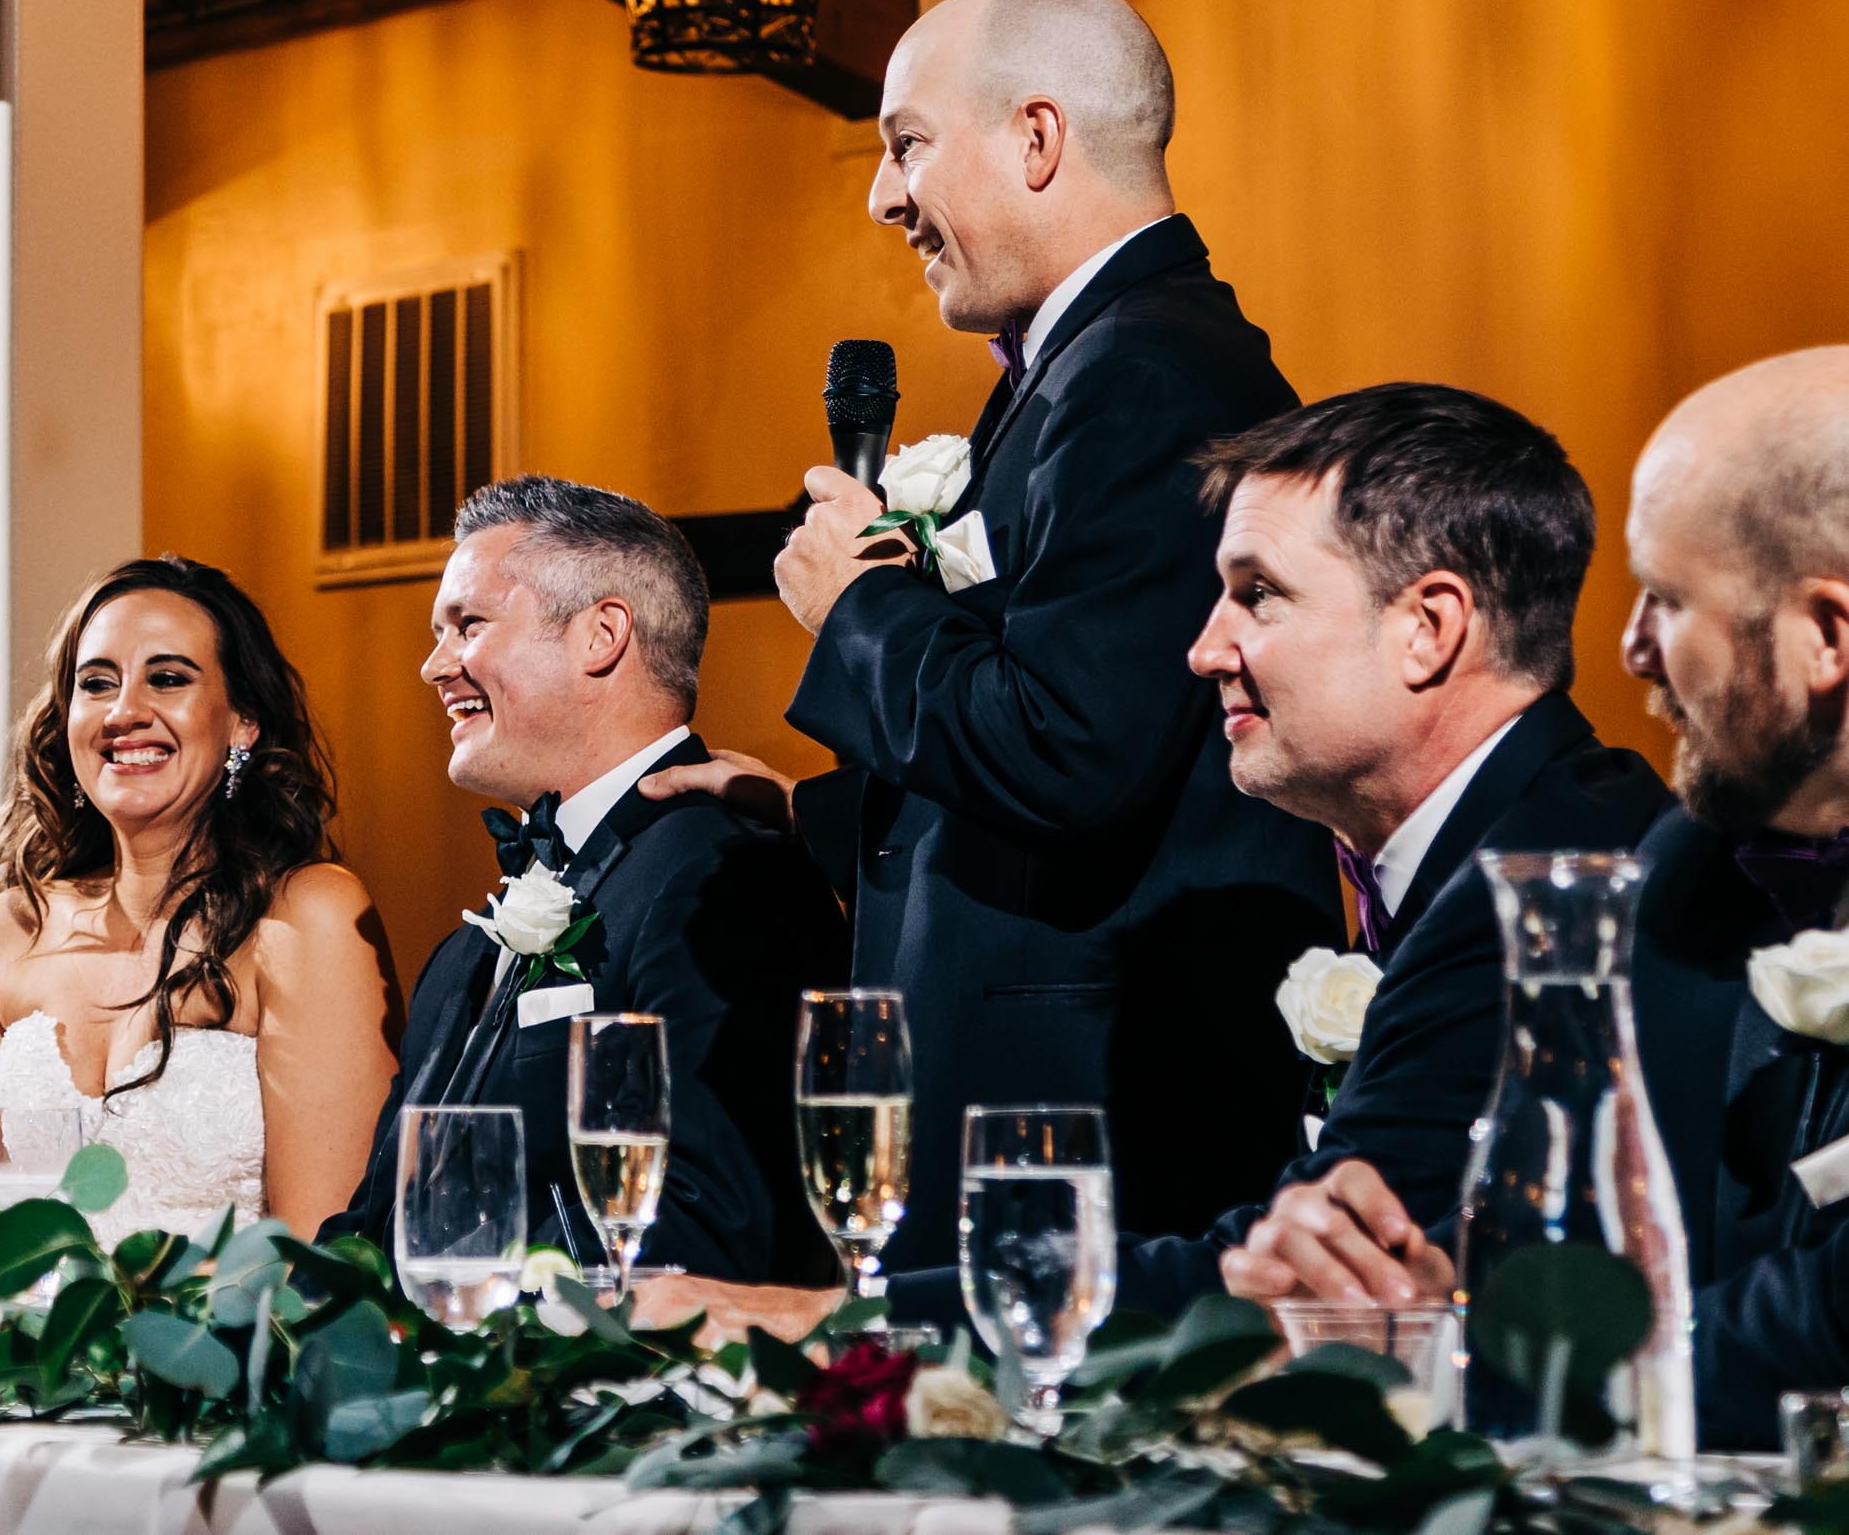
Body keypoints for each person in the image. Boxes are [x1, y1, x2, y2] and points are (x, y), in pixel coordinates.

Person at [637, 383, 1670, 1340]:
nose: (1203, 648)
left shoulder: (1539, 892)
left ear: (1427, 629)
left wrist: (823, 1322)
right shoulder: (1521, 830)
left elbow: (1291, 1279)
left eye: (1255, 594)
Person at [645, 0, 1339, 1274]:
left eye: (906, 144)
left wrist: (856, 606)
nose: (882, 196)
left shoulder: (1145, 367)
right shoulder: (1103, 361)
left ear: (1037, 138)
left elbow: (1068, 742)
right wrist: (821, 813)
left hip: (1105, 1105)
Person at [1218, 347, 1849, 1449]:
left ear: (1827, 637)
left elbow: (1816, 1319)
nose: (1629, 649)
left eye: (1666, 598)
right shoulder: (1692, 869)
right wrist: (1422, 1301)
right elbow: (1615, 1254)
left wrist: (1453, 1366)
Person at [321, 477, 847, 1281]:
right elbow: (377, 1220)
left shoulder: (729, 875)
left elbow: (710, 1241)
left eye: (468, 625)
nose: (434, 666)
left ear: (602, 634)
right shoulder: (466, 949)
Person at [0, 556, 402, 1245]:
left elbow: (319, 1254)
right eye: (96, 683)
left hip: (227, 1348)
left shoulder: (307, 918)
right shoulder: (5, 934)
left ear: (243, 722)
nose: (125, 710)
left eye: (168, 678)